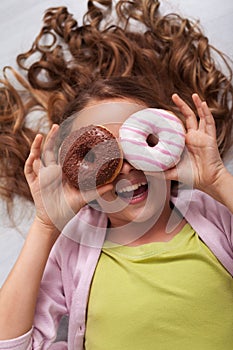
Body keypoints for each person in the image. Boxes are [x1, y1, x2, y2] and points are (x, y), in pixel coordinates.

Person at [0, 1, 232, 349]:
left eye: (138, 143)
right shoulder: (72, 248)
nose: (125, 167)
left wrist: (217, 180)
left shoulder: (212, 212)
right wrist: (46, 224)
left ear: (163, 142)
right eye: (101, 154)